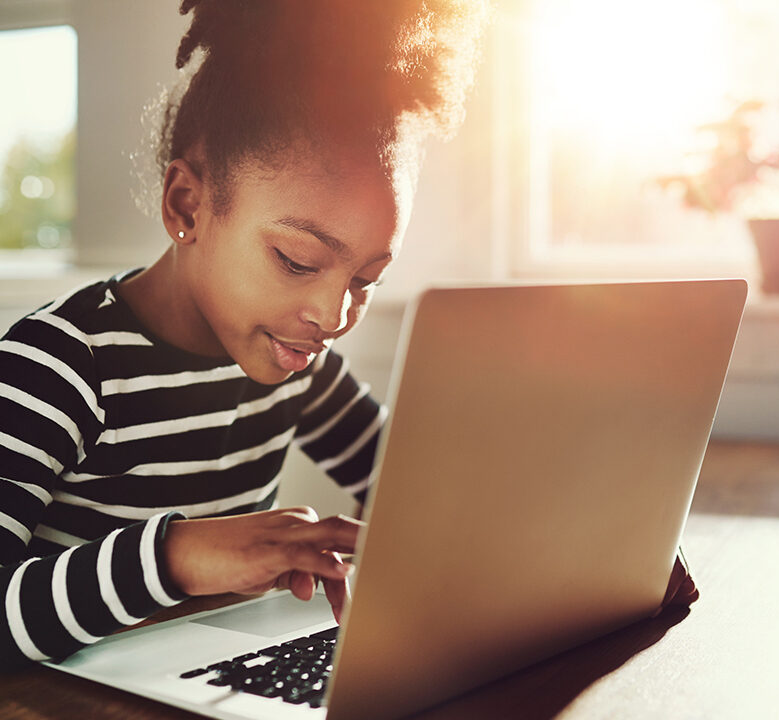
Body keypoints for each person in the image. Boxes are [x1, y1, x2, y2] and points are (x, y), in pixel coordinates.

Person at [0, 0, 695, 674]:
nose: (334, 315)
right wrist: (175, 556)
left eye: (367, 277)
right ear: (187, 204)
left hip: (195, 680)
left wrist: (595, 554)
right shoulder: (59, 368)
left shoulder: (297, 365)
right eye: (298, 261)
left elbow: (420, 494)